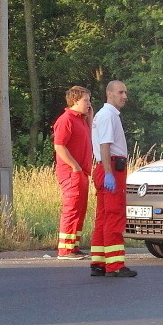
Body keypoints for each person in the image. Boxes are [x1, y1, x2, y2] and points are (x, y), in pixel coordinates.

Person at [88, 80, 136, 277]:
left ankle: (99, 262)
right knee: (114, 216)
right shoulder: (108, 116)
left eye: (125, 92)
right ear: (109, 94)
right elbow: (105, 146)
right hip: (112, 168)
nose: (124, 96)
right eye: (120, 92)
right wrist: (109, 173)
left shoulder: (102, 115)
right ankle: (115, 265)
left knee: (103, 217)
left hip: (104, 167)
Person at [53, 85, 93, 259]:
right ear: (75, 100)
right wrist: (75, 166)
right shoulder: (66, 119)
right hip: (72, 173)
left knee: (80, 209)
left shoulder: (81, 119)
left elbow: (90, 136)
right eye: (86, 100)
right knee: (71, 208)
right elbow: (59, 146)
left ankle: (73, 246)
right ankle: (65, 249)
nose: (89, 104)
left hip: (82, 172)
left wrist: (90, 118)